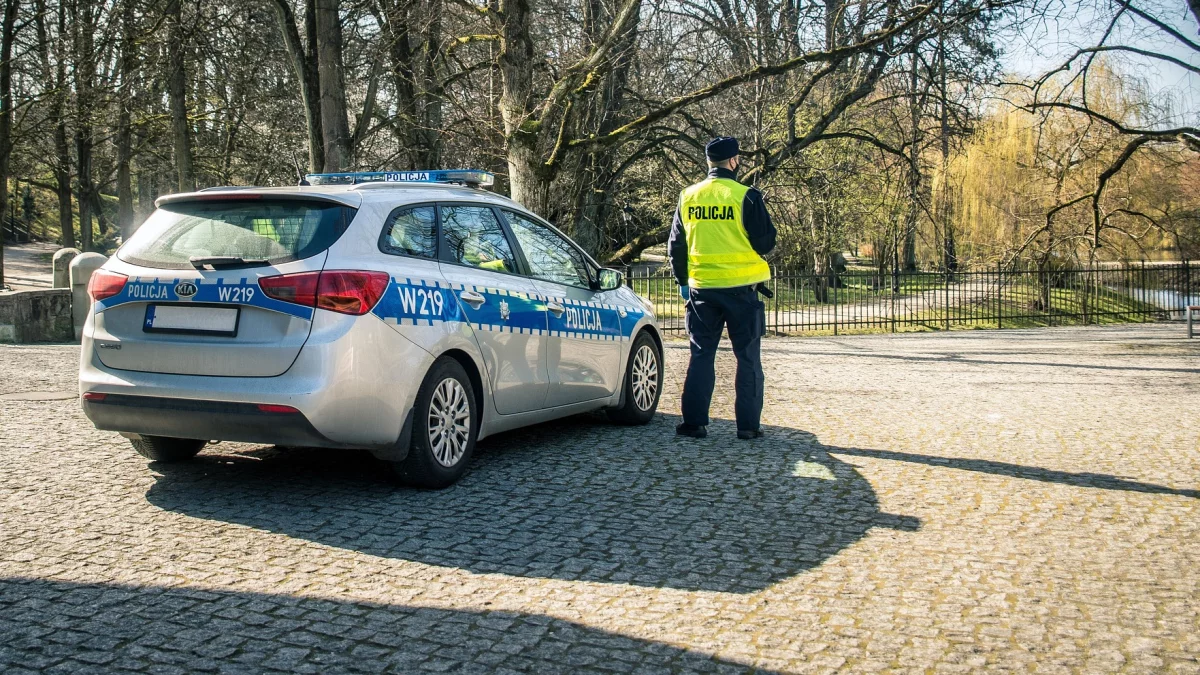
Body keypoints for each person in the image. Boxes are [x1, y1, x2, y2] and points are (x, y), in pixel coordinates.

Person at [667, 136, 776, 440]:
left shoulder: (688, 196)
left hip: (702, 290)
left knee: (701, 355)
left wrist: (683, 281)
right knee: (748, 358)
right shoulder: (747, 196)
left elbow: (676, 246)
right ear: (734, 161)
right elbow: (765, 243)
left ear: (708, 162)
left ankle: (693, 423)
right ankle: (748, 427)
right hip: (742, 290)